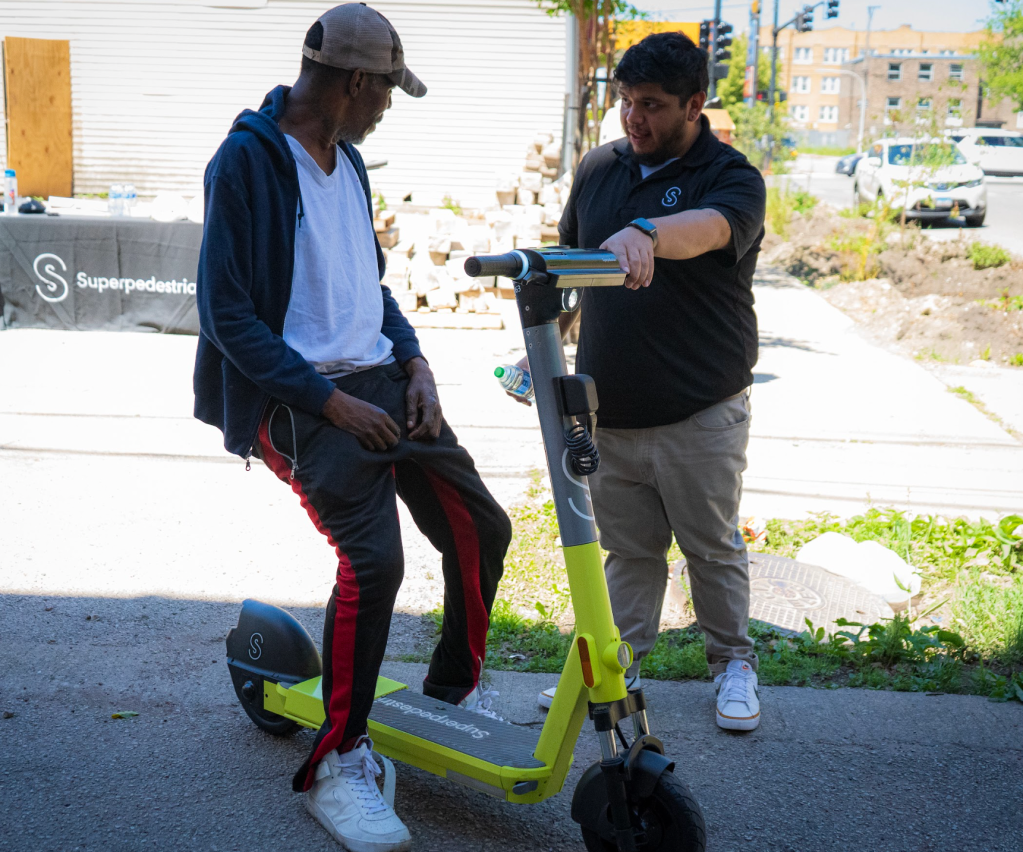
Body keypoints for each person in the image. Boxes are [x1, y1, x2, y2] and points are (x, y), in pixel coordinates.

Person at [192, 6, 511, 850]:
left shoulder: (352, 161)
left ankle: (454, 690)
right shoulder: (247, 160)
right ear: (356, 82)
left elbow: (370, 287)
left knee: (481, 527)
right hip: (298, 400)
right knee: (373, 565)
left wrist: (415, 362)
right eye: (387, 93)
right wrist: (329, 404)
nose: (387, 108)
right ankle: (337, 763)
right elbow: (225, 314)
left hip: (380, 378)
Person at [530, 31, 765, 731]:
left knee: (710, 547)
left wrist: (648, 233)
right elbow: (570, 267)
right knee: (628, 551)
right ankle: (617, 665)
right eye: (626, 101)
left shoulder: (730, 176)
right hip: (609, 410)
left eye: (653, 105)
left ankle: (733, 665)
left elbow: (709, 229)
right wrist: (542, 347)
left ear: (695, 104)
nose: (633, 118)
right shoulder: (599, 166)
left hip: (700, 409)